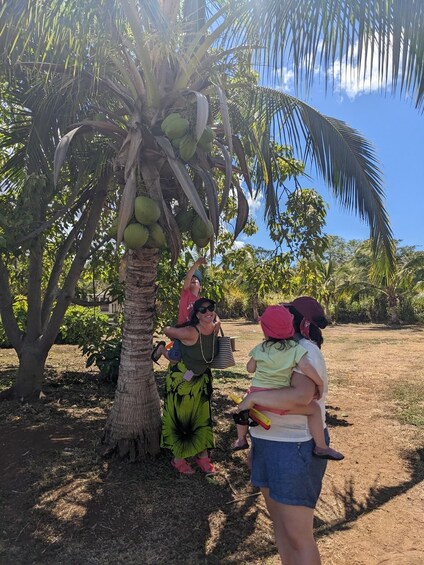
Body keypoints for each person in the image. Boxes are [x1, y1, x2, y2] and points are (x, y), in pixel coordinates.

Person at [236, 296, 342, 565]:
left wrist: (251, 401)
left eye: (286, 312)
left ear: (297, 320)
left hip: (293, 447)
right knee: (281, 527)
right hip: (267, 442)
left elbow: (301, 397)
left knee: (298, 535)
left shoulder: (305, 350)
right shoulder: (281, 347)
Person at [233, 305, 344, 462]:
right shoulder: (295, 349)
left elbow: (250, 368)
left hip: (256, 398)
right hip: (281, 400)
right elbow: (307, 368)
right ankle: (321, 446)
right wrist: (319, 383)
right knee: (313, 409)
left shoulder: (260, 348)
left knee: (241, 410)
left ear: (264, 329)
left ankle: (241, 439)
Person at [160, 297, 219, 476]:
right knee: (183, 418)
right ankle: (178, 458)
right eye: (203, 310)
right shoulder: (190, 332)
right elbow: (166, 330)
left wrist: (215, 319)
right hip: (182, 379)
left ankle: (202, 455)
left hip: (200, 378)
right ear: (197, 314)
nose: (208, 312)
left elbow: (216, 320)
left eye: (211, 308)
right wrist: (178, 331)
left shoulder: (214, 327)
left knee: (202, 417)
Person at [151, 257, 207, 364]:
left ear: (200, 287)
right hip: (181, 330)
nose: (193, 279)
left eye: (197, 280)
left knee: (190, 359)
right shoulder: (186, 294)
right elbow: (187, 278)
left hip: (194, 334)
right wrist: (196, 264)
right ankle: (161, 349)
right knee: (174, 358)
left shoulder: (202, 302)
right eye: (192, 278)